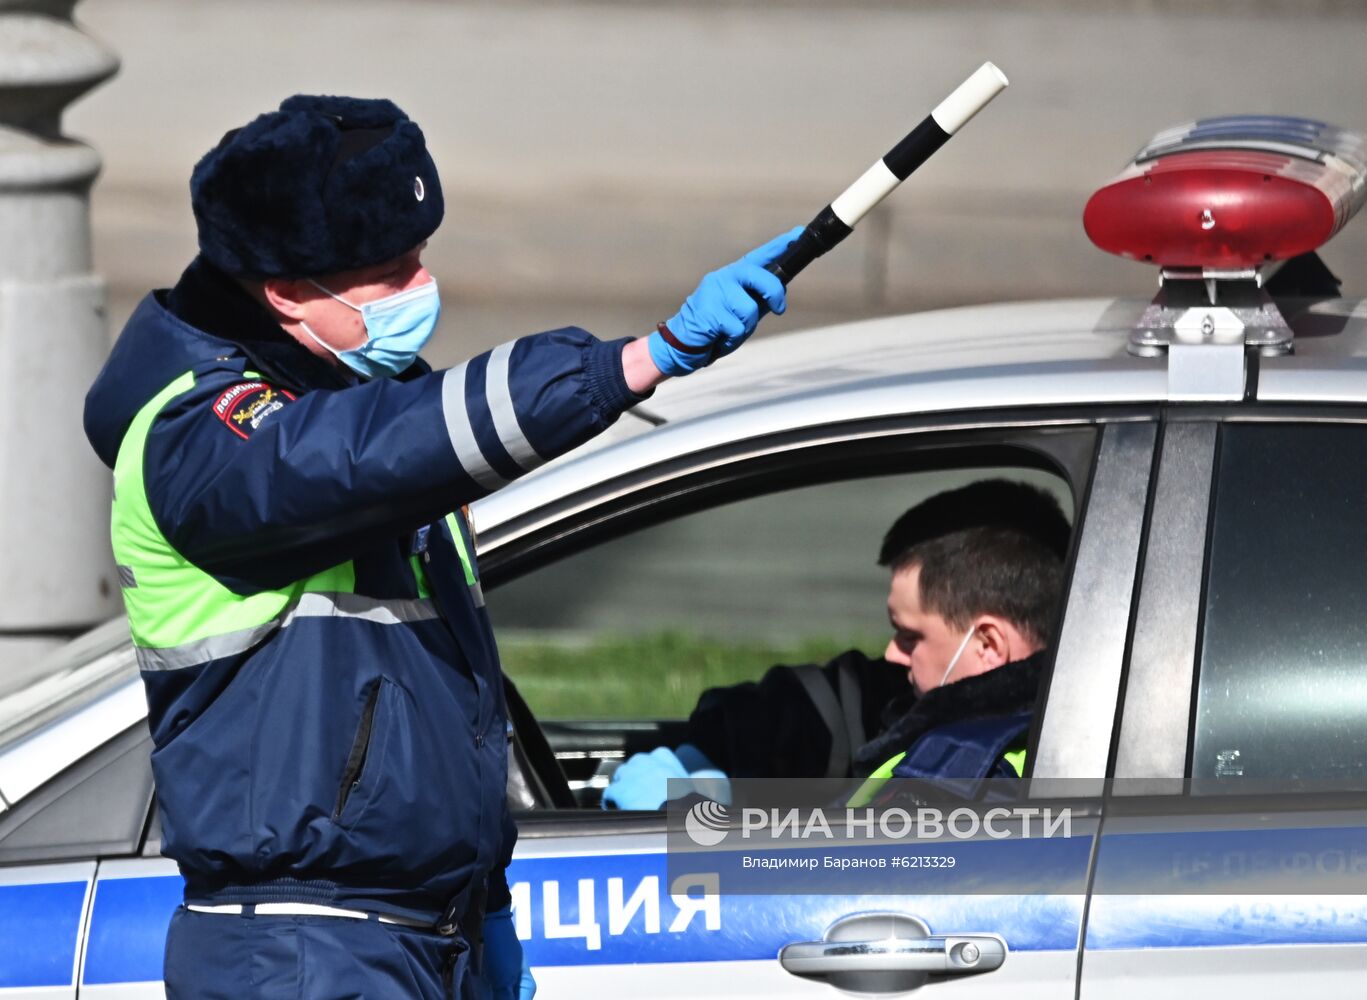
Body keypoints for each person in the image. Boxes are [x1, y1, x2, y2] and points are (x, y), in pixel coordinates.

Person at [81, 94, 801, 1000]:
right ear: (286, 291)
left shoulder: (363, 398)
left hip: (428, 936)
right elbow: (356, 457)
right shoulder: (200, 436)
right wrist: (635, 362)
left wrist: (487, 919)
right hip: (305, 955)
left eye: (422, 256)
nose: (421, 287)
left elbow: (437, 701)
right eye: (390, 271)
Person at [601, 479, 1068, 809]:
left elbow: (831, 890)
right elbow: (838, 698)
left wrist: (686, 828)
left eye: (910, 636)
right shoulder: (983, 719)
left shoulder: (972, 780)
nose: (891, 653)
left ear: (988, 644)